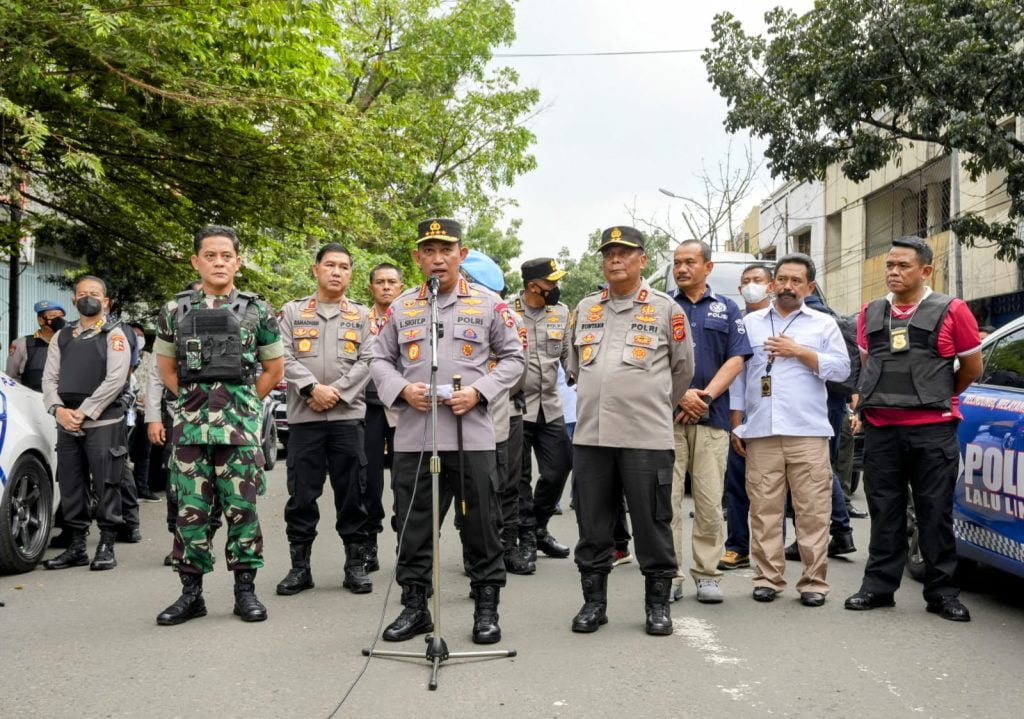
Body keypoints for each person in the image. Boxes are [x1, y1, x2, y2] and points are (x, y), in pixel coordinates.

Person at [370, 218, 524, 644]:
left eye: (446, 249)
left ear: (463, 253)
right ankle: (415, 607)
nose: (438, 258)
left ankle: (486, 608)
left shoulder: (491, 305)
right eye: (429, 250)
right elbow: (379, 360)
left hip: (471, 434)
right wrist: (402, 389)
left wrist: (479, 391)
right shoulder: (401, 307)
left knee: (481, 523)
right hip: (416, 435)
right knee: (413, 524)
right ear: (418, 257)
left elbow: (513, 358)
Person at [845, 236, 982, 622]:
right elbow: (871, 364)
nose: (893, 271)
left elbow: (972, 369)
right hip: (882, 429)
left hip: (932, 431)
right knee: (883, 510)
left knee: (934, 512)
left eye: (903, 265)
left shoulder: (953, 310)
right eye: (890, 265)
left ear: (925, 270)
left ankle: (942, 594)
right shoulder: (870, 312)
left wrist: (938, 396)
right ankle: (877, 587)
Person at [154, 225, 284, 625]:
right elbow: (166, 369)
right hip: (190, 430)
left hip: (239, 431)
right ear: (196, 261)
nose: (219, 262)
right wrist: (197, 403)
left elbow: (274, 369)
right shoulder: (174, 311)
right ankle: (191, 595)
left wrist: (240, 404)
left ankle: (245, 592)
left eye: (226, 255)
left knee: (242, 511)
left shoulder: (257, 310)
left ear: (238, 262)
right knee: (190, 513)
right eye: (210, 255)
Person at [568, 225, 694, 636]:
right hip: (590, 437)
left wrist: (653, 403)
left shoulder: (665, 309)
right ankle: (594, 603)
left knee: (652, 521)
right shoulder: (585, 308)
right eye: (609, 253)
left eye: (624, 253)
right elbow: (574, 365)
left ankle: (658, 606)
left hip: (645, 436)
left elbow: (682, 370)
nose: (615, 259)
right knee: (593, 524)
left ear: (642, 259)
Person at [731, 254, 849, 607]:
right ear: (771, 284)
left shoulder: (823, 325)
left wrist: (799, 351)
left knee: (812, 511)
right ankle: (768, 577)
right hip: (762, 431)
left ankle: (813, 582)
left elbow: (842, 370)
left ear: (809, 287)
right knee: (764, 509)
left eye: (796, 281)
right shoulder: (750, 324)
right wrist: (737, 426)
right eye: (781, 279)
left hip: (808, 431)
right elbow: (739, 377)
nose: (787, 286)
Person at [275, 242, 375, 596]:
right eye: (330, 265)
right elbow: (281, 355)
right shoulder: (291, 311)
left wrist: (337, 392)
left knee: (353, 494)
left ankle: (355, 565)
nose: (337, 271)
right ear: (315, 269)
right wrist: (311, 388)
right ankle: (300, 569)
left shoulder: (362, 316)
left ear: (350, 274)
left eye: (344, 266)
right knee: (302, 495)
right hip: (305, 418)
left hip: (348, 418)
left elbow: (369, 360)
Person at [668, 240, 751, 603]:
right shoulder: (662, 307)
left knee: (707, 499)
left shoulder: (727, 309)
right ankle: (668, 575)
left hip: (712, 418)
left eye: (690, 262)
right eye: (677, 263)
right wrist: (680, 394)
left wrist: (704, 397)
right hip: (665, 418)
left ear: (708, 267)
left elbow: (736, 359)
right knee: (666, 502)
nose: (682, 268)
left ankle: (707, 574)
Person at [40, 276, 132, 571]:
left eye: (94, 294)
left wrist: (86, 410)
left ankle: (106, 544)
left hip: (103, 419)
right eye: (82, 294)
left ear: (106, 301)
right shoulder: (62, 337)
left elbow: (116, 379)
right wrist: (58, 410)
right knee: (70, 483)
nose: (87, 298)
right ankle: (76, 545)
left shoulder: (115, 334)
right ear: (73, 301)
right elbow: (49, 378)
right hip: (67, 421)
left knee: (107, 482)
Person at [460, 250, 534, 576]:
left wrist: (486, 393)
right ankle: (473, 548)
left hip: (503, 411)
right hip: (459, 413)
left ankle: (508, 546)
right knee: (469, 487)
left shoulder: (510, 318)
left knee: (507, 483)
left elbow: (519, 372)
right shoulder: (450, 315)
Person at [512, 257, 574, 563]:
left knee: (559, 466)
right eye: (551, 283)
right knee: (519, 476)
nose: (555, 288)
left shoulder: (560, 312)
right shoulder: (507, 311)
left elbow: (566, 352)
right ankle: (524, 536)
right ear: (532, 286)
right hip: (515, 406)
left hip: (550, 404)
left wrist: (578, 374)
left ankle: (538, 527)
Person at [720, 264, 773, 571]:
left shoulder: (793, 322)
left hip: (781, 422)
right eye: (746, 282)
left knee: (774, 495)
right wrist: (736, 422)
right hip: (746, 418)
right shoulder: (740, 322)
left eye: (758, 281)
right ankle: (737, 546)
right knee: (737, 486)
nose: (751, 286)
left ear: (772, 286)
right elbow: (736, 375)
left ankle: (771, 555)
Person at [363, 262, 403, 571]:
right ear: (371, 287)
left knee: (405, 480)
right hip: (368, 407)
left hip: (404, 407)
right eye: (380, 282)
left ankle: (409, 546)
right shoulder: (360, 319)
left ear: (401, 287)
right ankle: (368, 546)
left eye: (391, 282)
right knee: (368, 481)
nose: (386, 287)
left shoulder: (411, 316)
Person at [128, 322, 160, 503]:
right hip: (126, 412)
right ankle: (126, 491)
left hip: (145, 412)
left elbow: (157, 380)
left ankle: (143, 488)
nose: (138, 338)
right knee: (123, 452)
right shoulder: (120, 355)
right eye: (134, 335)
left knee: (144, 453)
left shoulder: (149, 358)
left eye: (141, 335)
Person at [6, 300, 66, 391]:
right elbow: (10, 377)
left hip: (63, 402)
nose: (59, 320)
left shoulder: (70, 342)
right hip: (32, 400)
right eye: (53, 316)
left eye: (61, 316)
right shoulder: (22, 344)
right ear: (41, 320)